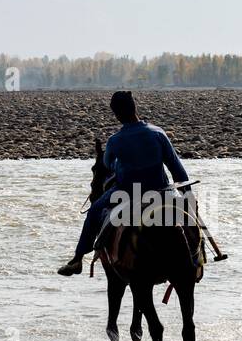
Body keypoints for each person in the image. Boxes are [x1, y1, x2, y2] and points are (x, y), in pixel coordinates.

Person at [57, 91, 189, 276]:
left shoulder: (115, 141)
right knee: (191, 217)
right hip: (162, 192)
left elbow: (108, 164)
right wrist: (187, 195)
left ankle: (78, 259)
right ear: (135, 107)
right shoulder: (158, 133)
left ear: (117, 115)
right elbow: (177, 169)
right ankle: (197, 255)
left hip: (126, 193)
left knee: (94, 210)